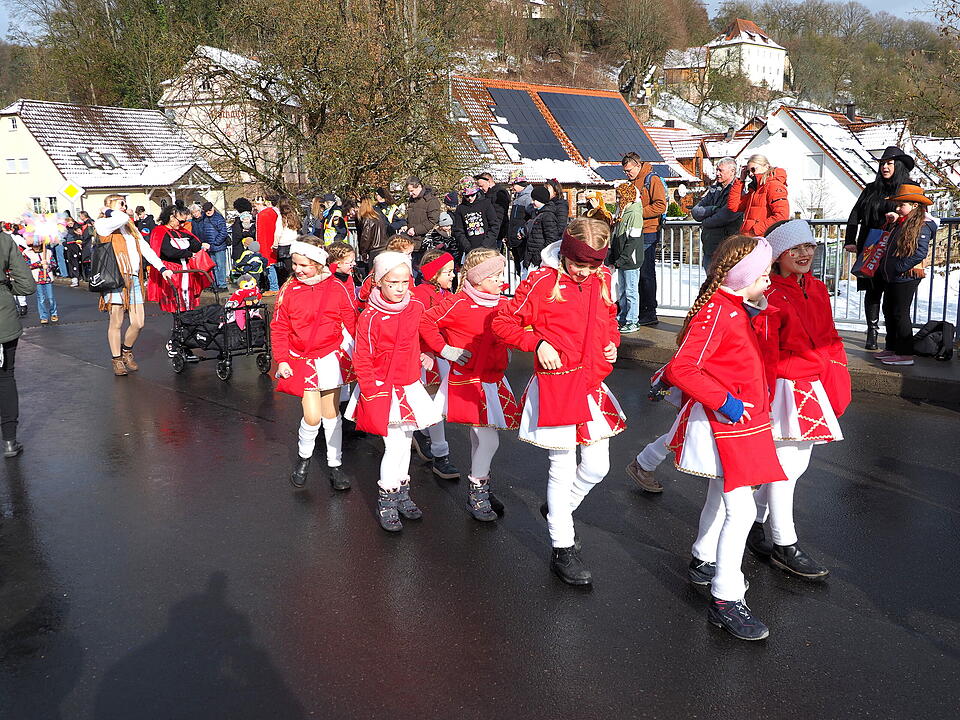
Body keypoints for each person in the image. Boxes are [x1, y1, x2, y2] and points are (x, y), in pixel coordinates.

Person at [492, 218, 626, 586]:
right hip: (556, 385)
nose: (584, 272)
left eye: (592, 265)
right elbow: (503, 323)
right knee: (562, 466)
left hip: (591, 382)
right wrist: (537, 343)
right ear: (565, 254)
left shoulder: (602, 280)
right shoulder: (540, 282)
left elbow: (609, 319)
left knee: (598, 466)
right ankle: (562, 546)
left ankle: (559, 509)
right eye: (578, 264)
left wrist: (612, 342)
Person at [664, 234, 785, 641]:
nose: (768, 280)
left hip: (742, 425)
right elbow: (681, 369)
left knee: (723, 497)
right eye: (763, 274)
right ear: (743, 275)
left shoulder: (732, 307)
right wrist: (726, 403)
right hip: (729, 426)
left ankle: (702, 559)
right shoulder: (719, 311)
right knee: (742, 511)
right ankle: (725, 598)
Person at [744, 219, 850, 579]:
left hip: (813, 383)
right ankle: (784, 543)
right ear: (778, 256)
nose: (805, 254)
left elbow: (830, 336)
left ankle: (756, 522)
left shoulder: (817, 288)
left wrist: (837, 371)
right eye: (796, 249)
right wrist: (765, 394)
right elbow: (765, 350)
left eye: (810, 246)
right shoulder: (770, 294)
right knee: (786, 469)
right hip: (786, 387)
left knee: (796, 466)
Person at [345, 251, 443, 532]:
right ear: (378, 283)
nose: (400, 289)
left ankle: (402, 492)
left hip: (409, 384)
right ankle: (387, 498)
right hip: (382, 388)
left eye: (404, 282)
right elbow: (362, 356)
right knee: (395, 446)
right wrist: (370, 388)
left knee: (407, 441)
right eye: (392, 283)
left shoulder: (414, 307)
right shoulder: (370, 316)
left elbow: (420, 333)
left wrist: (425, 353)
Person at [420, 249, 518, 521]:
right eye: (495, 276)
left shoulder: (500, 303)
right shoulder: (458, 302)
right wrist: (444, 349)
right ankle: (477, 492)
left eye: (501, 275)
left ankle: (482, 487)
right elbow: (426, 320)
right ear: (477, 279)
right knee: (489, 439)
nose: (501, 281)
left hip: (494, 378)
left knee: (481, 438)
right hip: (470, 380)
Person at [273, 237, 358, 490]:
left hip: (330, 357)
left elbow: (352, 323)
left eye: (303, 266)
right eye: (295, 264)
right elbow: (279, 327)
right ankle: (304, 458)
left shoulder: (337, 287)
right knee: (312, 417)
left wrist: (365, 353)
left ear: (319, 265)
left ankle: (335, 465)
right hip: (302, 360)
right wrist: (281, 359)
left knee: (331, 414)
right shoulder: (288, 289)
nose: (297, 270)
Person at [844, 147, 915, 350]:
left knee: (893, 293)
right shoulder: (871, 188)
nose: (884, 167)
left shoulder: (909, 188)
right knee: (872, 291)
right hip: (870, 245)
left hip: (895, 247)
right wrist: (850, 239)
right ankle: (872, 333)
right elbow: (854, 214)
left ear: (898, 165)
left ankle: (894, 339)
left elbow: (917, 216)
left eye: (889, 163)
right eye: (882, 163)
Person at [94, 195, 174, 376]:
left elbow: (146, 249)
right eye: (120, 204)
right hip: (116, 278)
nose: (124, 206)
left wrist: (162, 268)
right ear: (109, 207)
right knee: (116, 321)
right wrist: (106, 210)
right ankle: (116, 360)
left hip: (134, 278)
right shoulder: (102, 225)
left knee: (138, 323)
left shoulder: (130, 227)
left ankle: (126, 351)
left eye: (125, 203)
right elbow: (120, 217)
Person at [410, 248, 460, 481]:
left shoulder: (448, 294)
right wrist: (428, 351)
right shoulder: (420, 294)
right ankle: (441, 455)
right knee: (434, 406)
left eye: (453, 271)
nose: (453, 275)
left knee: (437, 406)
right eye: (448, 272)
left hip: (444, 358)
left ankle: (420, 433)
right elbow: (417, 327)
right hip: (426, 359)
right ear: (433, 273)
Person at [873, 184, 936, 367]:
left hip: (905, 276)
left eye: (902, 205)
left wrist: (899, 267)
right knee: (889, 311)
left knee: (900, 313)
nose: (898, 208)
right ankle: (892, 347)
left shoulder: (921, 225)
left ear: (915, 205)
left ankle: (905, 353)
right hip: (894, 275)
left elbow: (920, 252)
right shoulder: (902, 222)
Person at [0, 225, 36, 458]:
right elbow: (27, 285)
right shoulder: (4, 240)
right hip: (2, 314)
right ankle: (10, 441)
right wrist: (6, 286)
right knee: (5, 377)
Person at [621, 152, 667, 326]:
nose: (627, 174)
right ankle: (639, 310)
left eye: (629, 170)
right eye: (625, 171)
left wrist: (637, 212)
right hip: (633, 232)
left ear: (638, 165)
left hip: (648, 232)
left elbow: (660, 205)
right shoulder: (631, 183)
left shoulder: (652, 179)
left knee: (646, 273)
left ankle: (649, 310)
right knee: (635, 274)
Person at [148, 204, 210, 316]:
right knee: (174, 300)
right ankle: (178, 325)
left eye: (184, 222)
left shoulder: (182, 231)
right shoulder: (159, 231)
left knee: (187, 300)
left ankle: (188, 325)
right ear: (171, 217)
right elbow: (168, 251)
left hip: (186, 270)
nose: (182, 224)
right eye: (180, 221)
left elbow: (195, 244)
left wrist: (200, 246)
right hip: (172, 270)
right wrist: (190, 253)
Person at [691, 157, 743, 271]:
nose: (717, 173)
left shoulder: (738, 190)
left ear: (732, 171)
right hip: (710, 247)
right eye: (717, 170)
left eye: (721, 170)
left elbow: (726, 215)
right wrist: (713, 209)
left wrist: (705, 221)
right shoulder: (714, 190)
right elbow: (695, 211)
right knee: (710, 285)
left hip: (727, 248)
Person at [609, 182, 645, 334]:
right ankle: (623, 316)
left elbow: (633, 241)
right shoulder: (622, 212)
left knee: (631, 290)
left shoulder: (634, 214)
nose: (617, 200)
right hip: (622, 259)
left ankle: (632, 320)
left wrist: (622, 258)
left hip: (630, 260)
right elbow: (617, 237)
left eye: (619, 197)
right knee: (623, 290)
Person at [727, 153, 789, 237]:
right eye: (748, 171)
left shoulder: (774, 185)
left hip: (762, 238)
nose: (750, 174)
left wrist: (755, 230)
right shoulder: (755, 190)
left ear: (766, 166)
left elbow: (782, 216)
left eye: (753, 169)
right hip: (751, 238)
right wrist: (740, 181)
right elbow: (734, 206)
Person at [453, 177, 500, 256]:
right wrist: (468, 248)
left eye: (472, 195)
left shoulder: (486, 204)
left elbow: (494, 226)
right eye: (467, 196)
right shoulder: (460, 208)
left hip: (488, 249)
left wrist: (485, 245)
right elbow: (459, 231)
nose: (470, 198)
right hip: (471, 250)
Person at [522, 185, 559, 273]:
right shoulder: (537, 213)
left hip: (538, 258)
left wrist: (540, 255)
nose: (532, 202)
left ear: (541, 200)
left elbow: (551, 238)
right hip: (531, 255)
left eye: (535, 200)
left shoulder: (548, 216)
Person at [195, 202, 229, 291]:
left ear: (213, 208)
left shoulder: (219, 218)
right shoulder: (204, 218)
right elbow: (202, 231)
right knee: (214, 267)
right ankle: (217, 284)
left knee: (220, 266)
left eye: (210, 210)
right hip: (210, 246)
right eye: (206, 211)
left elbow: (223, 232)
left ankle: (222, 285)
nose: (208, 212)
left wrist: (215, 243)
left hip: (218, 246)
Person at [401, 177, 441, 254]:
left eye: (412, 191)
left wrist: (415, 230)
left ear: (419, 186)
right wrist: (405, 225)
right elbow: (408, 217)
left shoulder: (431, 201)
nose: (410, 194)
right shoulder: (411, 200)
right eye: (409, 191)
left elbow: (432, 221)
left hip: (424, 244)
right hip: (411, 242)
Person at [22, 240, 58, 324]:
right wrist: (38, 264)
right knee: (41, 298)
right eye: (34, 245)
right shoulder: (27, 253)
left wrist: (48, 266)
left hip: (48, 278)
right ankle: (43, 316)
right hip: (37, 279)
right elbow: (26, 266)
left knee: (51, 298)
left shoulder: (48, 252)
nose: (36, 247)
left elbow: (54, 263)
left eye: (38, 245)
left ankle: (54, 313)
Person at [475, 172, 511, 246]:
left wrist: (493, 234)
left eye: (482, 186)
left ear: (489, 181)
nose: (481, 189)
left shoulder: (499, 194)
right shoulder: (487, 194)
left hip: (496, 234)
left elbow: (499, 216)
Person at [255, 196, 281, 295]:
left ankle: (274, 287)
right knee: (271, 265)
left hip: (265, 244)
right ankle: (273, 286)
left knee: (269, 266)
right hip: (272, 243)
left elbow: (260, 233)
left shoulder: (262, 215)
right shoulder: (274, 213)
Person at [274, 198, 300, 286]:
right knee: (294, 265)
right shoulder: (294, 215)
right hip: (294, 242)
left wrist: (275, 244)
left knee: (286, 268)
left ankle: (290, 284)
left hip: (283, 244)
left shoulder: (281, 217)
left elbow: (278, 232)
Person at [357, 197, 389, 267]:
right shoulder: (377, 217)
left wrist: (363, 252)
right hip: (383, 247)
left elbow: (366, 237)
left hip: (374, 250)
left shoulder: (367, 219)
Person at [63, 216, 84, 286]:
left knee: (75, 261)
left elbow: (80, 236)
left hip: (75, 245)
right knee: (70, 261)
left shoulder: (76, 227)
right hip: (68, 246)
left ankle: (76, 277)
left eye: (70, 223)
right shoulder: (67, 228)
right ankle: (74, 277)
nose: (69, 225)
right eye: (68, 223)